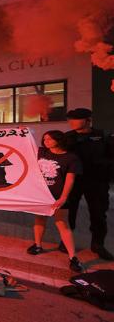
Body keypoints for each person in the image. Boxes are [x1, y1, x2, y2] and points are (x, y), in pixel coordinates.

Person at [27, 131, 83, 272]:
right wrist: (21, 130)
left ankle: (73, 257)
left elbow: (70, 180)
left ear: (59, 140)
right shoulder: (41, 152)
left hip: (58, 196)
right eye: (44, 139)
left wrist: (63, 197)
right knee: (39, 220)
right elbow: (26, 142)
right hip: (41, 195)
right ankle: (38, 245)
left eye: (50, 139)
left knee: (62, 224)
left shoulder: (71, 158)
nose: (46, 141)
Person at [64, 108, 114, 261]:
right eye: (70, 119)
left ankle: (98, 244)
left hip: (97, 181)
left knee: (98, 214)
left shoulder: (103, 136)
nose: (71, 122)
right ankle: (65, 240)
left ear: (88, 120)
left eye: (76, 119)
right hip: (74, 181)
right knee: (69, 212)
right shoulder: (67, 137)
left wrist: (103, 168)